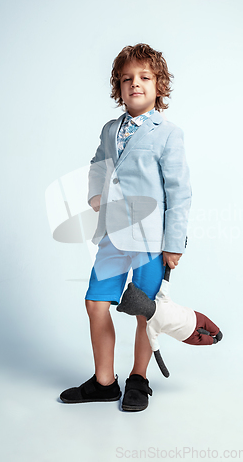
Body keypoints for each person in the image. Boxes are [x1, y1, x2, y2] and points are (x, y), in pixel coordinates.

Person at [60, 43, 192, 412]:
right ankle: (104, 382)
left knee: (144, 310)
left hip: (151, 240)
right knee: (95, 302)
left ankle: (139, 378)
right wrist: (94, 197)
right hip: (113, 236)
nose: (135, 84)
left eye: (145, 78)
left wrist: (174, 243)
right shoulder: (109, 129)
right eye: (126, 79)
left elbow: (179, 191)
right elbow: (98, 163)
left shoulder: (168, 133)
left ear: (159, 85)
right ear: (118, 88)